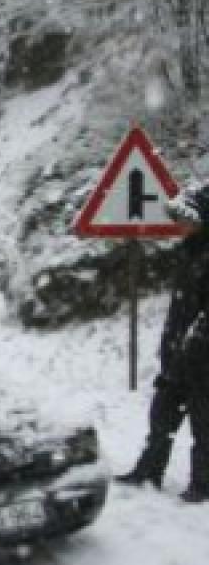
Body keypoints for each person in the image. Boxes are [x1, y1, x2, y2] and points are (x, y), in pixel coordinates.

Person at [116, 182, 209, 503]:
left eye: (187, 218)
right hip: (177, 354)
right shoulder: (190, 250)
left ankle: (203, 483)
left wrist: (195, 342)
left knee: (204, 424)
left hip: (202, 359)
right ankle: (149, 470)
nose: (181, 225)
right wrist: (172, 347)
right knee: (162, 417)